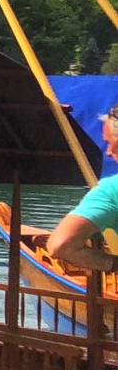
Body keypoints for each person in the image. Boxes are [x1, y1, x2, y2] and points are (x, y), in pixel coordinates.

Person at [48, 105, 118, 272]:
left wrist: (113, 264)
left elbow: (61, 245)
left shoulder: (111, 190)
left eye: (112, 144)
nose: (108, 152)